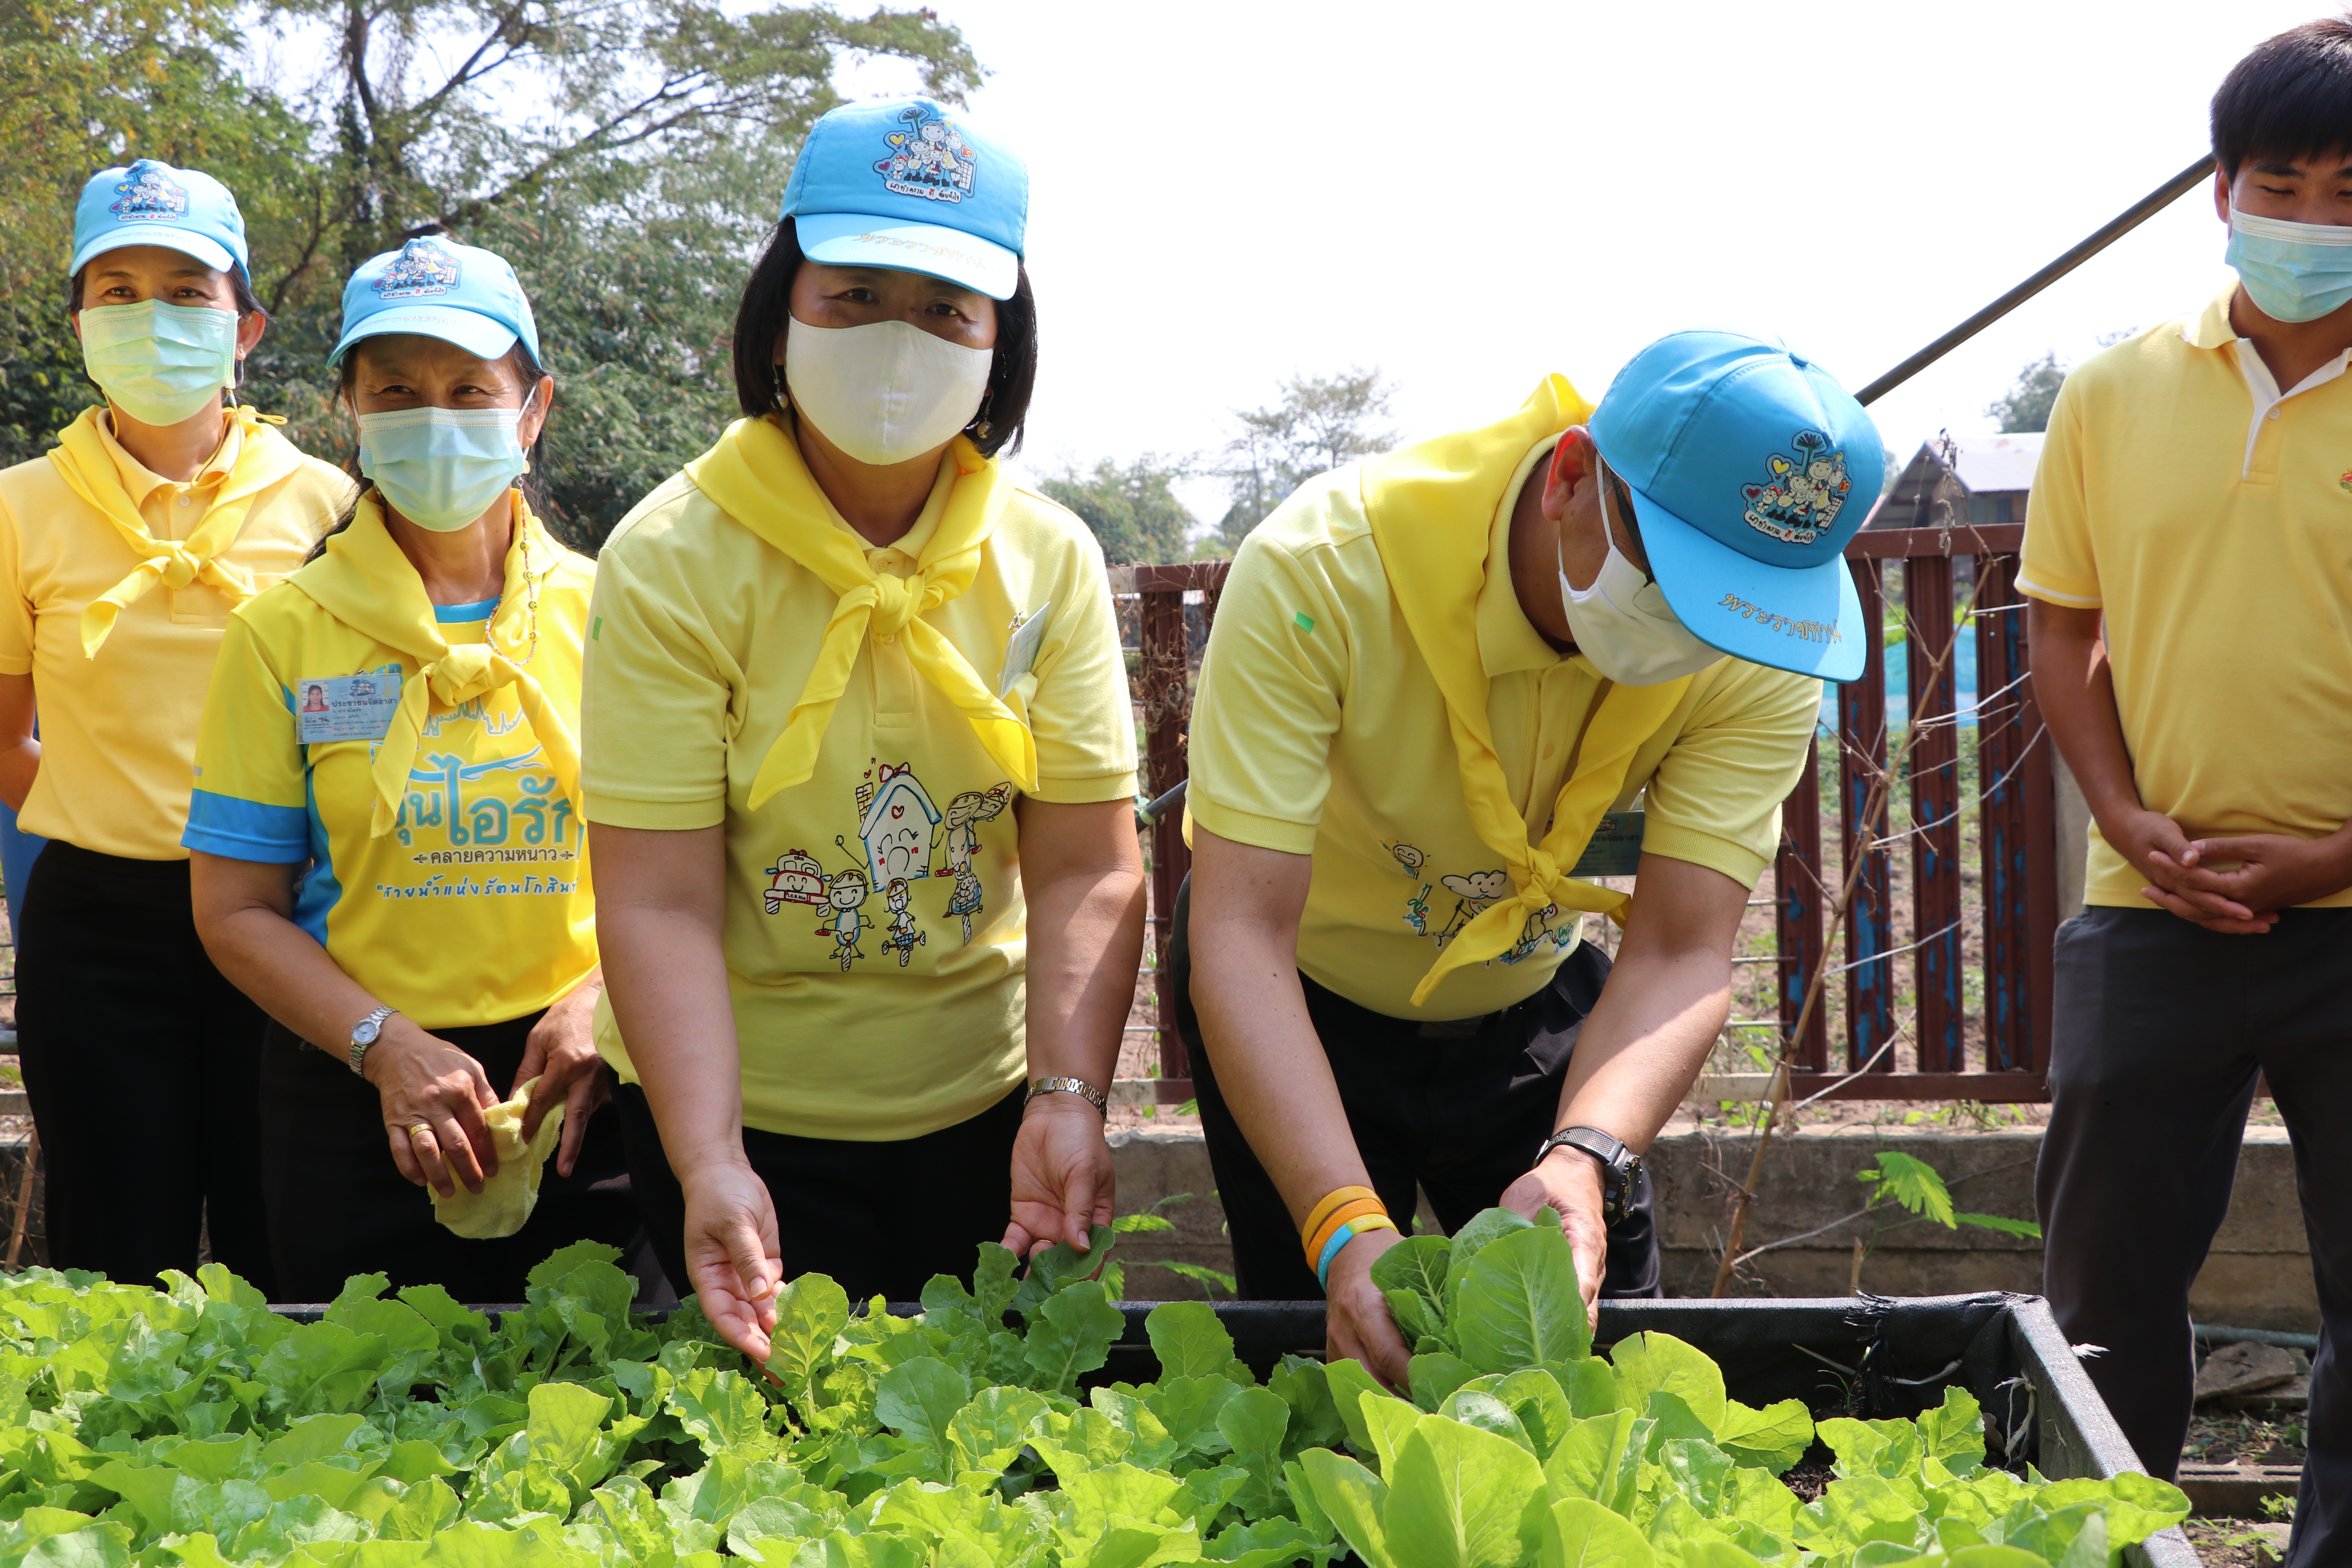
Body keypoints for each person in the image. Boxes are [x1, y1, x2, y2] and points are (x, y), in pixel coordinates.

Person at [1178, 332, 1882, 1387]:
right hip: (1304, 1006)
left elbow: (1684, 946)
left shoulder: (1761, 639)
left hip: (1539, 1001)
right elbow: (1237, 930)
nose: (1706, 633)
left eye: (1742, 604)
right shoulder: (1324, 572)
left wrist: (1585, 1157)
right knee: (1330, 1363)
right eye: (1679, 582)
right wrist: (1339, 1227)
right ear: (1570, 478)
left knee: (1594, 1369)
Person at [583, 98, 1142, 1356]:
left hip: (993, 1115)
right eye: (854, 296)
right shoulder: (673, 557)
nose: (899, 343)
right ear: (782, 310)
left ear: (1002, 343)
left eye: (947, 310)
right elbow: (658, 899)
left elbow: (1086, 864)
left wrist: (1068, 1098)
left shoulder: (1049, 558)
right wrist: (709, 1158)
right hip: (739, 1124)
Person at [2021, 21, 2352, 1564]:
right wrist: (2127, 819)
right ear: (2220, 191)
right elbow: (2064, 622)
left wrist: (2330, 856)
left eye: (2350, 191)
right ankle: (2107, 1545)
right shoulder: (2113, 393)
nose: (2311, 221)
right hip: (2144, 912)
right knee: (2101, 1301)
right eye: (2281, 184)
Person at [184, 234, 635, 1303]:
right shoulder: (281, 635)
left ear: (535, 409)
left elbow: (696, 867)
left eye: (470, 387)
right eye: (397, 389)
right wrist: (386, 1049)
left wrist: (606, 1007)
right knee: (364, 1433)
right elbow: (234, 908)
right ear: (352, 410)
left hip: (590, 1089)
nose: (433, 416)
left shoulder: (621, 615)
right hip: (357, 1094)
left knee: (611, 1431)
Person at [0, 161, 353, 1292]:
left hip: (284, 922)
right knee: (115, 1255)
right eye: (118, 290)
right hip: (99, 929)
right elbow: (5, 735)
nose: (153, 314)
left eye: (189, 291)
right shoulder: (19, 508)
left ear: (246, 325)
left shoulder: (325, 504)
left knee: (284, 1239)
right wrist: (118, 817)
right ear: (79, 323)